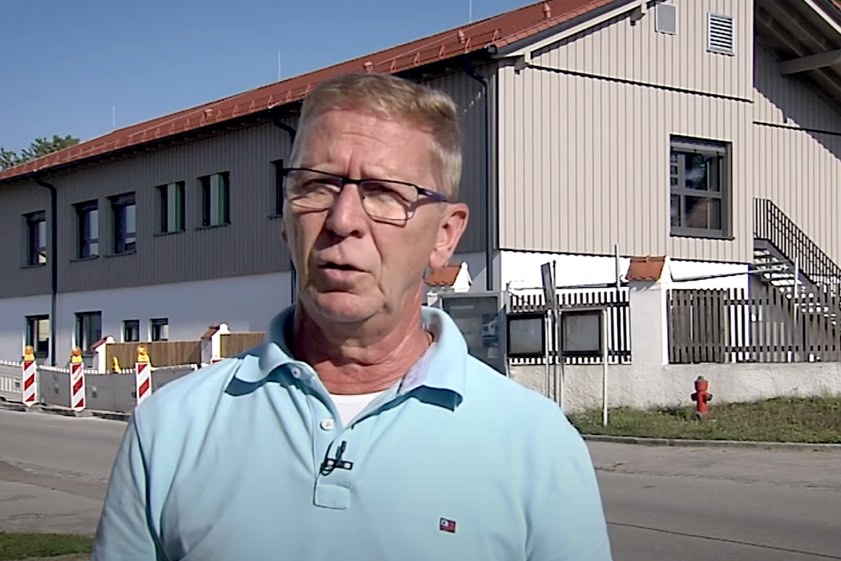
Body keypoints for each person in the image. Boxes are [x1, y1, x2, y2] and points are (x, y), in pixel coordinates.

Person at [91, 72, 613, 561]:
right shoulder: (171, 427)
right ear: (286, 219)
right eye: (316, 186)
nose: (342, 220)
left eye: (383, 193)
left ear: (445, 235)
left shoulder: (536, 444)